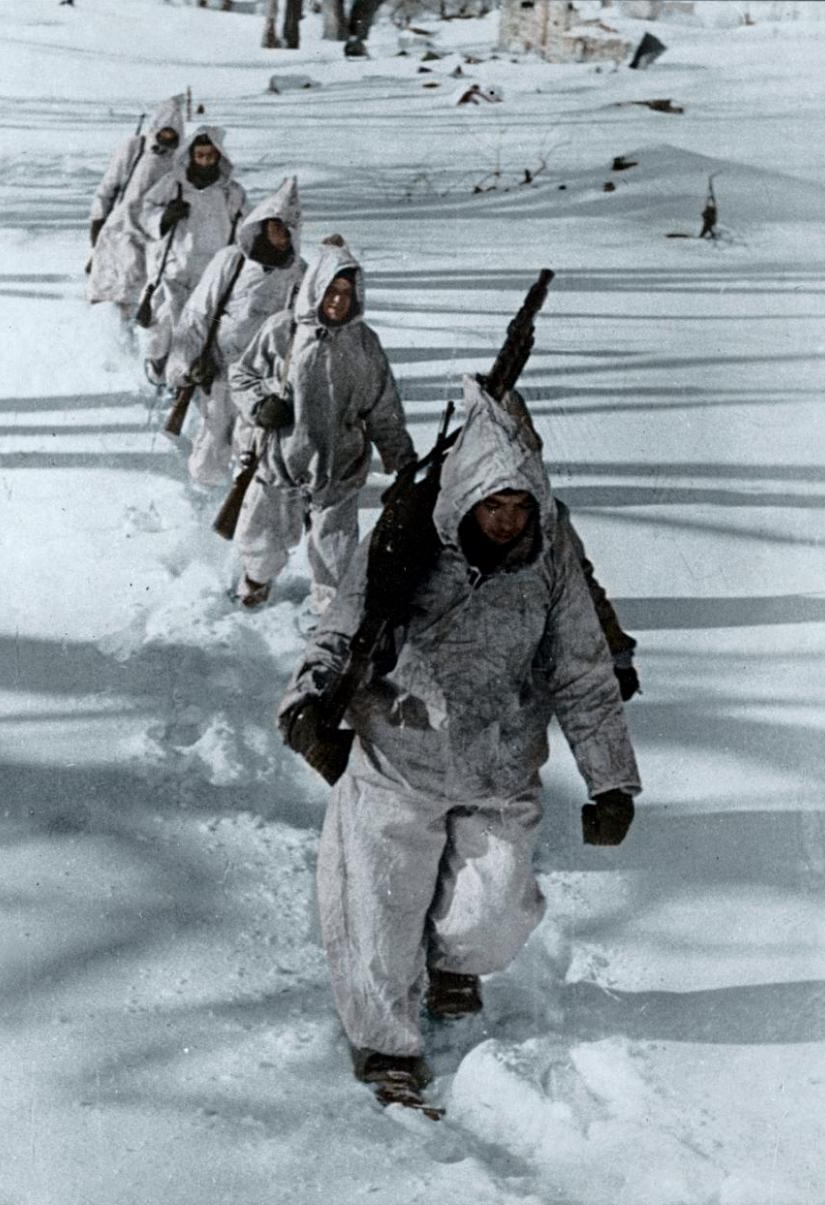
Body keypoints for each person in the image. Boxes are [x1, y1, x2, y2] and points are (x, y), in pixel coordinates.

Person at [277, 375, 641, 1115]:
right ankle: (385, 1047)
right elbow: (341, 627)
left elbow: (580, 666)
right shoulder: (409, 538)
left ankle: (453, 967)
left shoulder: (549, 558)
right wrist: (307, 700)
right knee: (379, 911)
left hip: (499, 761)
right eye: (493, 505)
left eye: (519, 507)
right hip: (396, 756)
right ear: (466, 499)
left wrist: (610, 779)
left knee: (496, 913)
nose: (507, 521)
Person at [227, 237, 416, 613]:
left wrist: (401, 458)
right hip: (280, 458)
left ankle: (330, 621)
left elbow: (384, 407)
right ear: (316, 288)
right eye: (331, 290)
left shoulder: (364, 344)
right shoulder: (282, 331)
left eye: (347, 293)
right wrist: (260, 405)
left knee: (336, 555)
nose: (337, 301)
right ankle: (255, 583)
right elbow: (241, 376)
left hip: (339, 466)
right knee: (263, 539)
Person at [164, 177, 307, 486]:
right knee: (212, 445)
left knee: (253, 455)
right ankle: (200, 509)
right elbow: (198, 314)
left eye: (287, 230)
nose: (280, 235)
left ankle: (239, 521)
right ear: (261, 224)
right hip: (217, 370)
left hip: (262, 381)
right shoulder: (231, 261)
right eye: (274, 226)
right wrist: (185, 365)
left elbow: (301, 335)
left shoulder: (299, 275)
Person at [139, 125, 247, 383]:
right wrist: (164, 216)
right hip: (175, 271)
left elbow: (246, 229)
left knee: (201, 334)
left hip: (212, 276)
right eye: (200, 156)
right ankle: (158, 368)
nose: (206, 161)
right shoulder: (173, 186)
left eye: (211, 156)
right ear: (191, 156)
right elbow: (146, 212)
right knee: (163, 331)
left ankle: (187, 378)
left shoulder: (231, 193)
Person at [86, 96, 185, 317]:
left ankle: (127, 346)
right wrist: (97, 222)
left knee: (137, 300)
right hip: (118, 231)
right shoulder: (135, 148)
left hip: (150, 238)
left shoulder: (179, 160)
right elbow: (107, 188)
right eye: (163, 132)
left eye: (173, 134)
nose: (167, 139)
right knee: (107, 295)